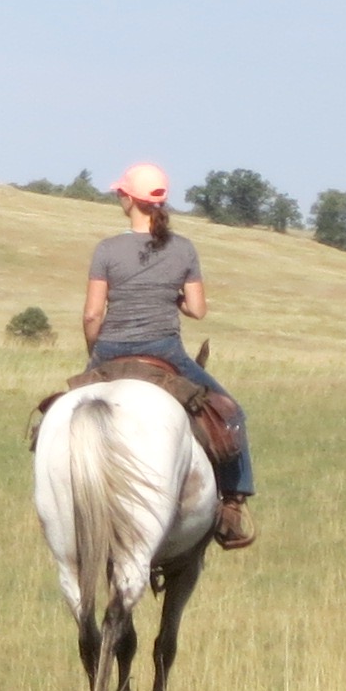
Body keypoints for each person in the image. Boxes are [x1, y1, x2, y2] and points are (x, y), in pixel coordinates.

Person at [82, 162, 255, 549]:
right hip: (165, 351)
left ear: (128, 199)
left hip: (111, 349)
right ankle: (232, 505)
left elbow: (93, 314)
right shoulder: (183, 249)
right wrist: (173, 295)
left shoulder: (107, 249)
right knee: (232, 414)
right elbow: (198, 310)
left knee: (62, 412)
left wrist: (95, 354)